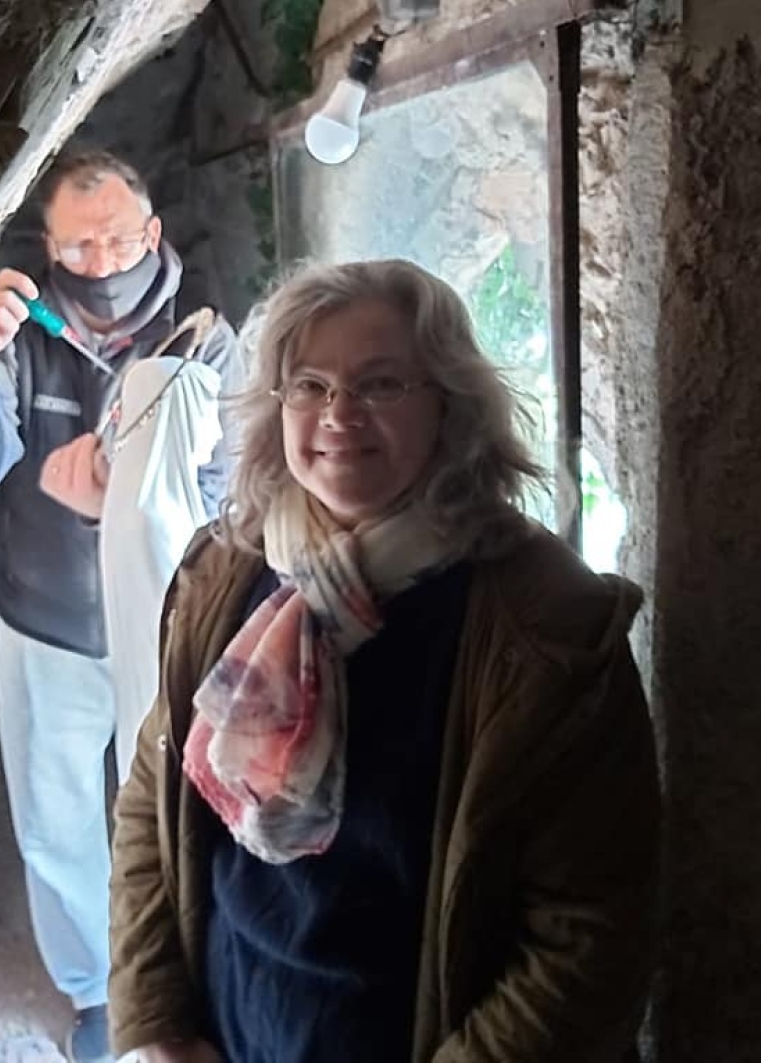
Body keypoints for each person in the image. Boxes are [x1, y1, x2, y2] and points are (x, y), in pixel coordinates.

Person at [108, 258, 661, 1063]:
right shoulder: (227, 572)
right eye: (309, 384)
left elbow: (588, 936)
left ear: (451, 404)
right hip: (231, 1033)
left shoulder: (545, 624)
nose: (338, 414)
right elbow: (151, 797)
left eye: (381, 384)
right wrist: (154, 1023)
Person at [0, 150, 243, 1063]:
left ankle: (184, 974)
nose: (99, 260)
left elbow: (229, 489)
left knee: (187, 806)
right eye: (77, 244)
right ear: (48, 246)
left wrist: (128, 508)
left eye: (114, 239)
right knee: (58, 818)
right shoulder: (26, 332)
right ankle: (93, 990)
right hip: (46, 621)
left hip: (174, 620)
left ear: (151, 233)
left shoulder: (202, 335)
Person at [99, 353, 225, 785]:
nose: (218, 429)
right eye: (207, 410)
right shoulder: (156, 521)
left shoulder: (149, 507)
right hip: (171, 696)